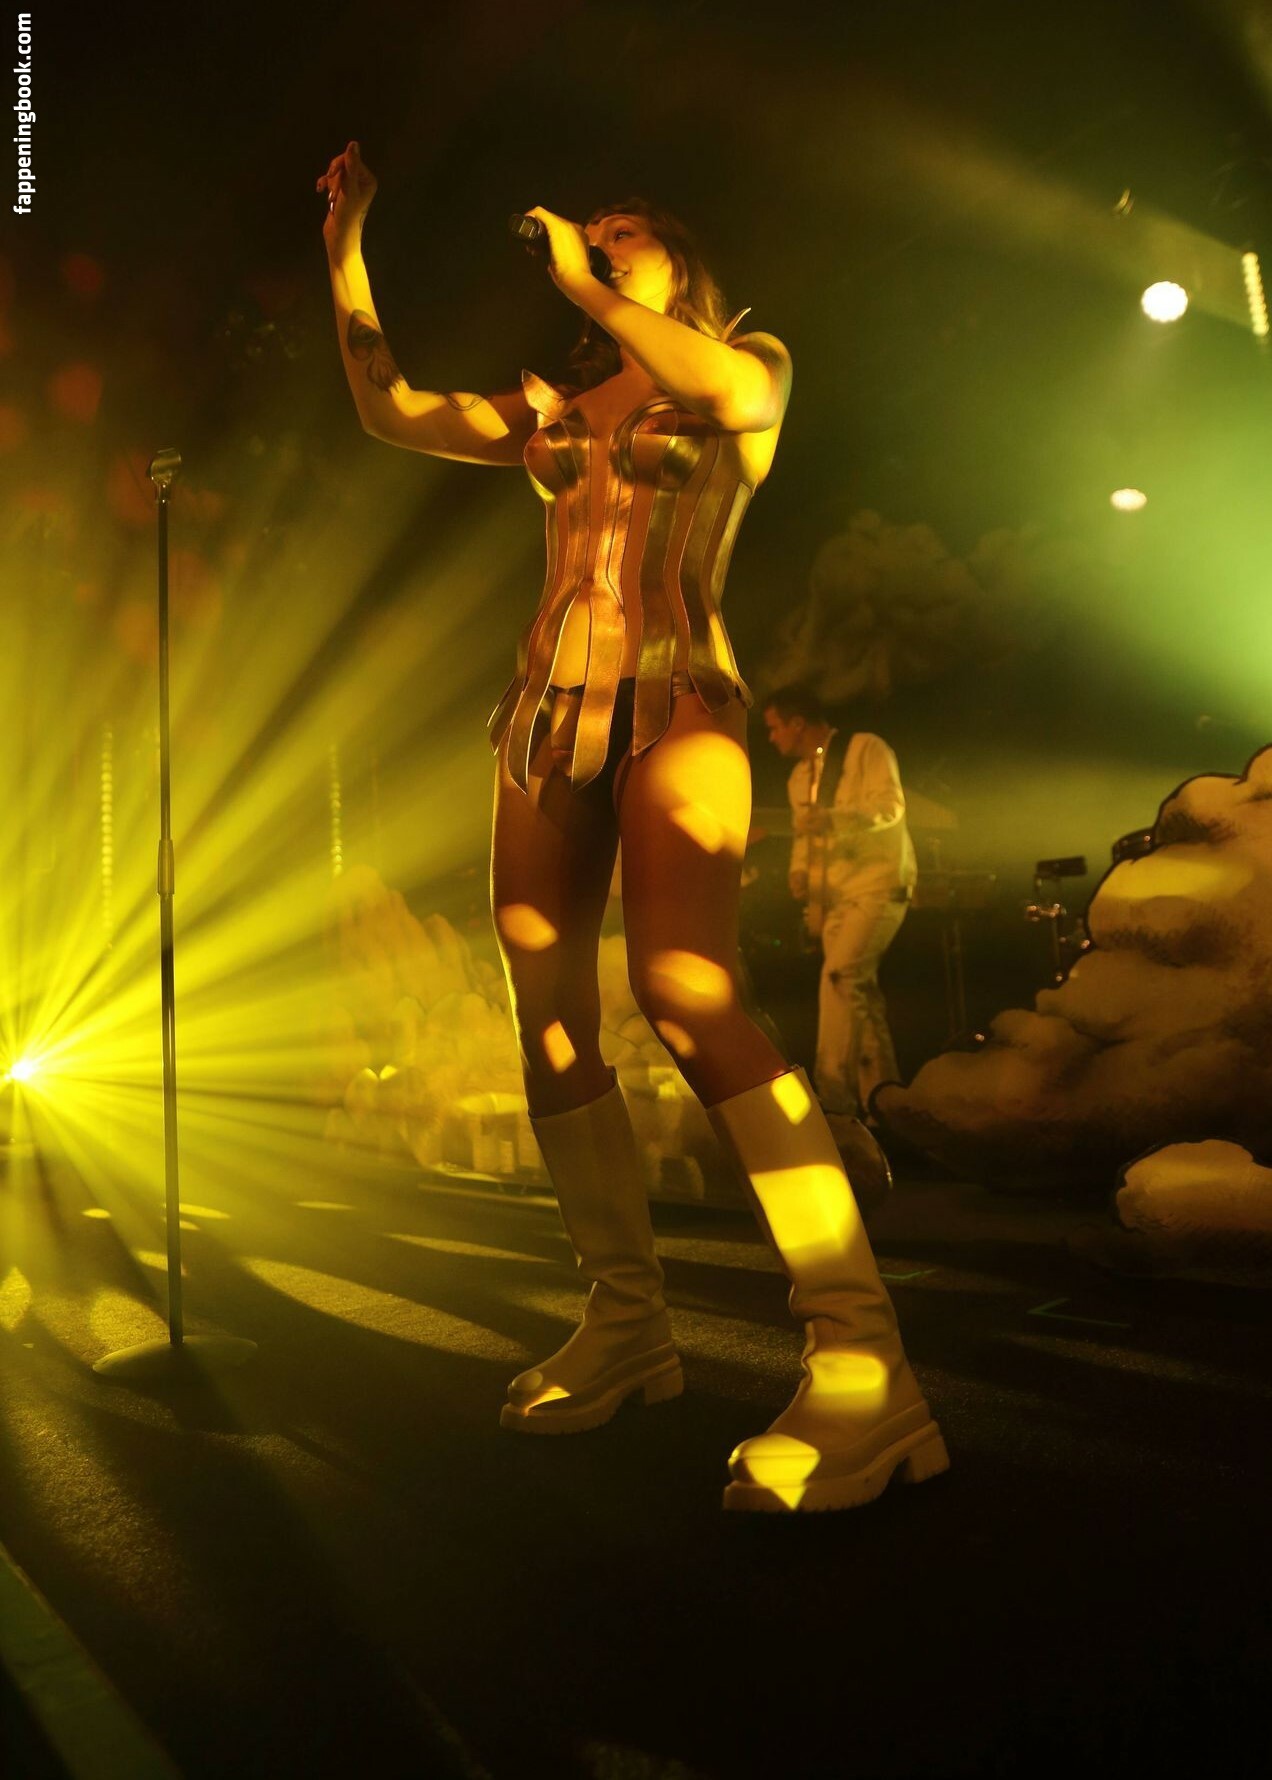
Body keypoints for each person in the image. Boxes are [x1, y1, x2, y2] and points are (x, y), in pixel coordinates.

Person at [317, 142, 947, 1512]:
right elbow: (392, 409)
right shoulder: (558, 403)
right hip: (545, 719)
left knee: (685, 988)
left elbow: (726, 396)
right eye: (589, 235)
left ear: (678, 261)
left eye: (625, 233)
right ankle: (625, 1320)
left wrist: (589, 290)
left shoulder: (745, 361)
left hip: (680, 704)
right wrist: (346, 248)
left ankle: (864, 1359)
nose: (598, 243)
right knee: (544, 1016)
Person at [763, 685, 917, 1122]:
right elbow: (804, 837)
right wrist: (799, 871)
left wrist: (834, 819)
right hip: (833, 897)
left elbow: (890, 807)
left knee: (840, 976)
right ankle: (885, 1106)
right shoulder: (798, 779)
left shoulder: (865, 749)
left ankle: (833, 1099)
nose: (771, 738)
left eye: (774, 728)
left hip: (877, 885)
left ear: (797, 723)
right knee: (858, 996)